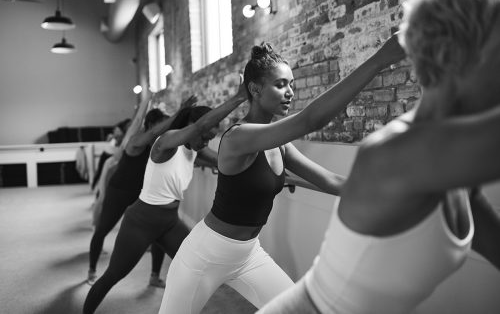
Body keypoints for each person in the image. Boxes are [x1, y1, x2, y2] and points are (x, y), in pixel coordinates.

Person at [257, 0, 500, 313]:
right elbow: (309, 120)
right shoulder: (396, 154)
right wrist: (377, 61)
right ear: (448, 56)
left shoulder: (453, 172)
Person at [158, 33, 405, 313]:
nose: (290, 92)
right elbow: (312, 119)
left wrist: (392, 193)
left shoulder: (280, 145)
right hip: (205, 255)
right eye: (280, 85)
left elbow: (330, 180)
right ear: (254, 89)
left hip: (248, 254)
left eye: (291, 84)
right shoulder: (240, 137)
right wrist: (379, 60)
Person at [82, 82, 247, 314]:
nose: (205, 142)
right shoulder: (166, 142)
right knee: (113, 276)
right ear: (191, 128)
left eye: (210, 138)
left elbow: (226, 161)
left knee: (196, 270)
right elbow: (200, 125)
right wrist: (239, 97)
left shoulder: (195, 150)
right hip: (141, 221)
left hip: (169, 222)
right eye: (204, 136)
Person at [86, 95, 197, 286]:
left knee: (158, 233)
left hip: (141, 194)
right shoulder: (136, 141)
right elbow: (152, 129)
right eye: (161, 124)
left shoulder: (160, 146)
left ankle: (154, 276)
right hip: (118, 192)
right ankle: (92, 270)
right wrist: (177, 110)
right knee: (102, 229)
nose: (165, 129)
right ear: (152, 124)